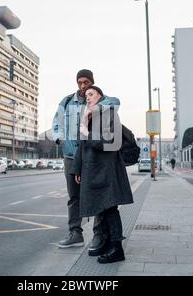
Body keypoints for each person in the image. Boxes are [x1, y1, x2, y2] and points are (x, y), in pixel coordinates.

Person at [52, 69, 120, 254]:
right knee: (74, 197)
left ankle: (98, 234)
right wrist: (60, 139)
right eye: (80, 82)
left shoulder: (99, 99)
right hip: (71, 156)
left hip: (92, 157)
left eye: (87, 83)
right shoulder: (66, 102)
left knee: (97, 194)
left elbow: (116, 102)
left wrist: (95, 106)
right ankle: (75, 233)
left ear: (92, 82)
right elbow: (56, 124)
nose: (83, 86)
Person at [70, 86, 133, 264]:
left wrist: (87, 134)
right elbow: (82, 147)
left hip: (107, 170)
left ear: (100, 96)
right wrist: (77, 168)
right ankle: (107, 244)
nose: (87, 98)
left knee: (110, 208)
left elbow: (112, 142)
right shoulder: (89, 117)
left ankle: (117, 248)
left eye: (91, 94)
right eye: (85, 96)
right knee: (102, 209)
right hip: (93, 171)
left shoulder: (109, 114)